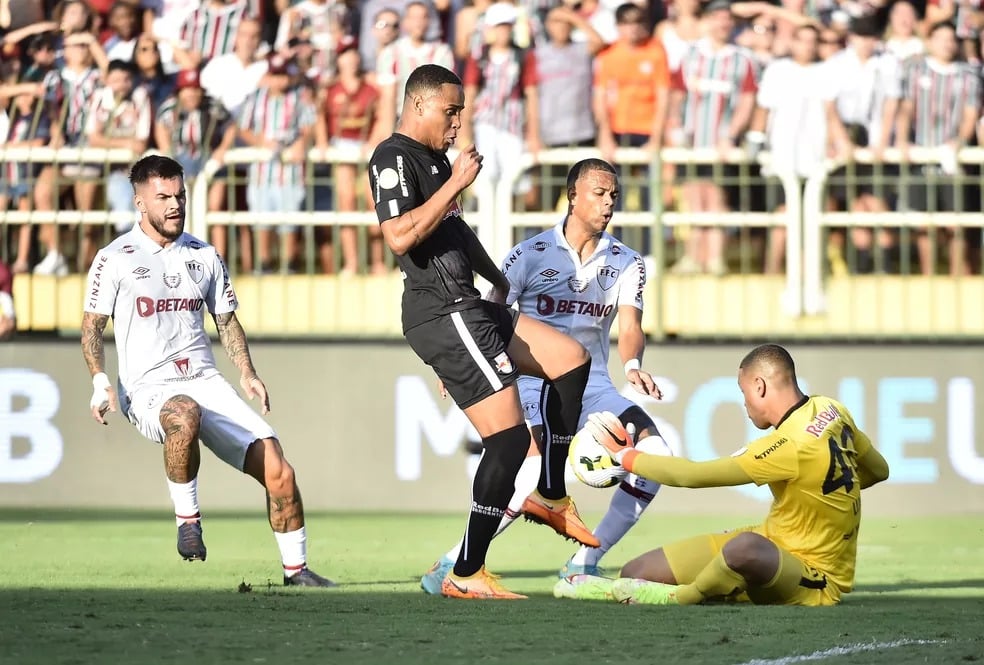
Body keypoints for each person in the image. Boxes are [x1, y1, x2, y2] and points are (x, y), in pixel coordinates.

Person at [367, 64, 592, 600]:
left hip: (468, 305)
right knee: (510, 439)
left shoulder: (437, 161)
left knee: (571, 360)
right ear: (418, 105)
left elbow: (455, 233)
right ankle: (465, 573)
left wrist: (500, 281)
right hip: (441, 310)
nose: (458, 123)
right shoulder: (391, 157)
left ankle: (552, 492)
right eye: (451, 111)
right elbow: (400, 236)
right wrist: (454, 184)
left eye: (461, 112)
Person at [419, 158, 674, 595]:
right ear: (572, 196)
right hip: (533, 380)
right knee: (527, 472)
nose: (608, 202)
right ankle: (452, 564)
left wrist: (632, 366)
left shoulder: (627, 262)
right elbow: (490, 309)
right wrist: (466, 356)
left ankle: (583, 563)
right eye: (599, 193)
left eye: (613, 195)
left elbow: (630, 327)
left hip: (591, 385)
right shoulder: (529, 254)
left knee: (656, 457)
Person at [80, 154, 335, 588]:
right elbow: (92, 328)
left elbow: (227, 321)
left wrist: (247, 373)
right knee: (184, 414)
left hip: (205, 381)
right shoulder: (114, 258)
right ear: (140, 202)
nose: (175, 205)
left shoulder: (205, 255)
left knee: (280, 469)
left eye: (179, 195)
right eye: (163, 197)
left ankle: (297, 572)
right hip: (147, 388)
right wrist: (100, 381)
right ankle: (188, 520)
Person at [555, 343, 890, 606]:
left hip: (813, 576)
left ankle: (687, 596)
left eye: (743, 392)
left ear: (759, 386)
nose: (744, 403)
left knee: (745, 548)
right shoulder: (832, 409)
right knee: (637, 573)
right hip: (774, 544)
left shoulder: (787, 445)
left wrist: (626, 457)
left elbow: (693, 476)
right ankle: (730, 585)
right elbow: (878, 470)